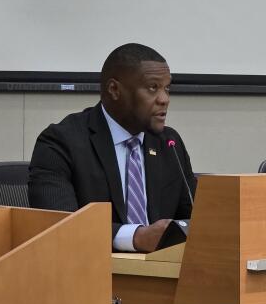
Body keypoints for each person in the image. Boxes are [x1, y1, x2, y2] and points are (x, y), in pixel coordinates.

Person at [28, 43, 195, 252]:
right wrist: (135, 237)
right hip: (90, 271)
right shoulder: (61, 142)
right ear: (115, 89)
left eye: (167, 88)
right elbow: (60, 226)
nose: (164, 99)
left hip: (161, 274)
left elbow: (195, 219)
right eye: (153, 88)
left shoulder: (168, 143)